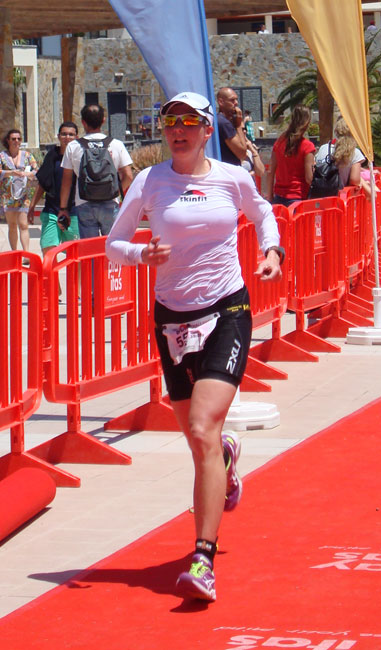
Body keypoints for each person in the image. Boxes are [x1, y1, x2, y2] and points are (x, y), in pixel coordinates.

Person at [105, 91, 283, 603]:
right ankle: (225, 459)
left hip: (227, 309)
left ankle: (203, 559)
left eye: (188, 122)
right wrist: (143, 253)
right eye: (169, 122)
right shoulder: (149, 181)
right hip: (173, 320)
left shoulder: (232, 178)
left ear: (208, 130)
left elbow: (263, 213)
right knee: (199, 441)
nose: (177, 130)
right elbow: (115, 243)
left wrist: (273, 250)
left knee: (203, 427)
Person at [58, 104, 133, 239]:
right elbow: (128, 175)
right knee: (112, 247)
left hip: (84, 202)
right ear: (103, 120)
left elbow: (66, 181)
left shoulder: (73, 147)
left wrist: (63, 209)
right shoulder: (116, 144)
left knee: (90, 249)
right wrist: (115, 191)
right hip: (110, 203)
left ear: (83, 122)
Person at [27, 122, 80, 257]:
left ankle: (76, 279)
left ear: (77, 137)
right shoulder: (52, 156)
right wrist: (32, 206)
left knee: (76, 254)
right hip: (52, 211)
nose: (67, 137)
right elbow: (43, 183)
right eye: (64, 134)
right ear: (58, 136)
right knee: (48, 249)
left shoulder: (80, 157)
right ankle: (52, 279)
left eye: (71, 134)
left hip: (74, 211)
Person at [266, 104, 315, 206]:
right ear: (307, 122)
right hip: (299, 197)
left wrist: (270, 196)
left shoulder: (279, 142)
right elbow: (309, 178)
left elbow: (271, 171)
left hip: (279, 197)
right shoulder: (307, 146)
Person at [0, 129, 38, 256]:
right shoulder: (2, 156)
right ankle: (15, 253)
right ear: (8, 140)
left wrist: (27, 174)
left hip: (23, 194)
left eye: (19, 139)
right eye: (13, 139)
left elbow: (37, 171)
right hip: (8, 195)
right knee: (12, 225)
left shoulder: (27, 156)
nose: (17, 141)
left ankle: (26, 254)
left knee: (23, 224)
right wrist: (11, 173)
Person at [315, 116, 365, 190]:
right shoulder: (355, 153)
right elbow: (354, 180)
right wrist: (364, 184)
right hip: (339, 196)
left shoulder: (324, 147)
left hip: (319, 193)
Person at [216, 87, 247, 166]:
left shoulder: (218, 120)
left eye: (236, 99)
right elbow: (242, 154)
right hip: (229, 171)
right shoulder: (224, 123)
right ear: (221, 102)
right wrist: (239, 124)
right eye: (232, 100)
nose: (236, 103)